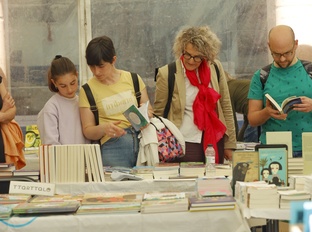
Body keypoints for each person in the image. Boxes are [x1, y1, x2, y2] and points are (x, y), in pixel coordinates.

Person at [248, 25, 312, 157]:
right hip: (274, 148)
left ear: (296, 45)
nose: (282, 59)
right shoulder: (260, 76)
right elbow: (252, 119)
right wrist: (267, 112)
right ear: (269, 46)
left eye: (287, 53)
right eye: (276, 54)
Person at [154, 26, 236, 164]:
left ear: (206, 56)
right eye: (187, 55)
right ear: (181, 50)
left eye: (197, 57)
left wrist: (230, 144)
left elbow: (225, 105)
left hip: (215, 139)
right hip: (183, 141)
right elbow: (159, 114)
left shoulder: (215, 67)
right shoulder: (167, 73)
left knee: (213, 183)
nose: (191, 61)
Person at [79, 35, 153, 168]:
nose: (96, 72)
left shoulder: (133, 79)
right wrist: (104, 128)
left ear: (113, 60)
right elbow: (88, 130)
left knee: (146, 186)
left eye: (101, 66)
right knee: (116, 187)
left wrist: (146, 114)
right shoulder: (87, 90)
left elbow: (149, 109)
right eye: (92, 67)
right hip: (113, 148)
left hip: (143, 142)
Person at [37, 55, 89, 145]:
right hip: (62, 158)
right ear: (54, 83)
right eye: (63, 86)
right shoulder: (52, 107)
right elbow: (51, 144)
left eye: (73, 83)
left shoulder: (83, 101)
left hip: (86, 157)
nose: (70, 89)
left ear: (77, 75)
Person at [225, 71, 258, 142]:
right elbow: (246, 122)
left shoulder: (226, 90)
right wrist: (239, 140)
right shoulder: (238, 85)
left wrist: (232, 143)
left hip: (258, 113)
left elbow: (231, 122)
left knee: (249, 144)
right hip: (262, 111)